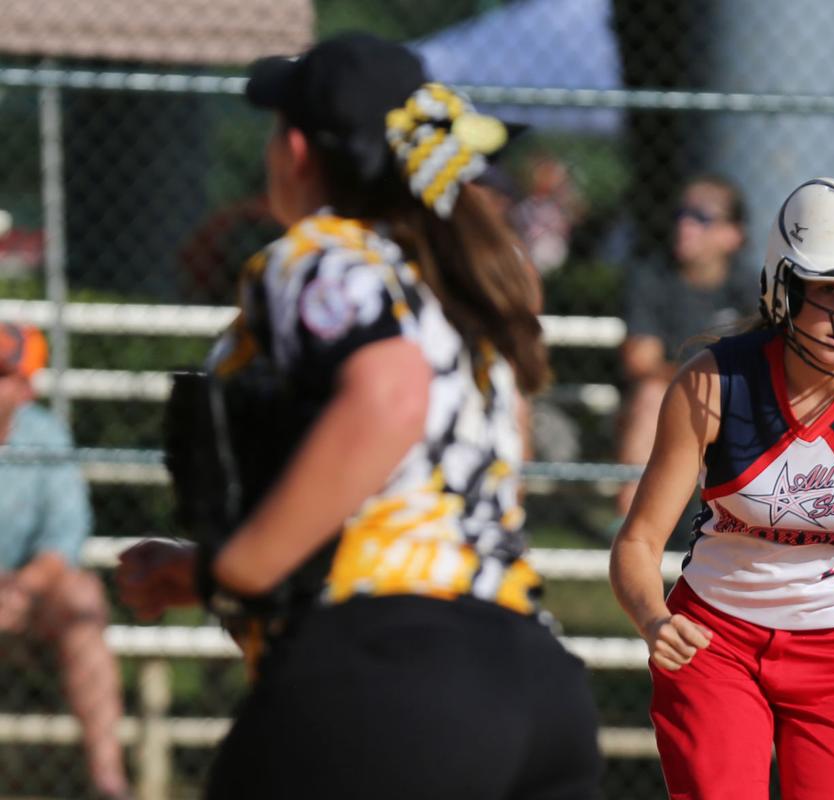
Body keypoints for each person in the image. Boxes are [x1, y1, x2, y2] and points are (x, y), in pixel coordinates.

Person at [114, 33, 601, 800]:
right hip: (533, 684)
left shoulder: (324, 254)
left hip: (387, 682)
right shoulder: (456, 294)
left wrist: (236, 568)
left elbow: (390, 394)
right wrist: (204, 574)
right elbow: (427, 497)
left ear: (299, 149)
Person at [609, 177, 834, 799]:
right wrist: (652, 618)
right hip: (716, 641)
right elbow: (638, 542)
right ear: (787, 283)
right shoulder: (714, 383)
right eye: (830, 288)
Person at [0, 323, 130, 800]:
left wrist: (21, 588)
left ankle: (107, 782)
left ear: (25, 388)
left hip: (25, 598)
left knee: (82, 596)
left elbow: (65, 537)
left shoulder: (45, 437)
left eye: (0, 374)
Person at [615, 174, 757, 519]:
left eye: (702, 218)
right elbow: (641, 360)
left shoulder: (750, 284)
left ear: (732, 234)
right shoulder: (653, 276)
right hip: (676, 397)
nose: (686, 226)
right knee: (650, 394)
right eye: (682, 214)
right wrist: (707, 380)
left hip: (738, 400)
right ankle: (632, 529)